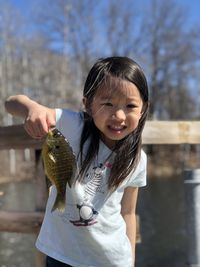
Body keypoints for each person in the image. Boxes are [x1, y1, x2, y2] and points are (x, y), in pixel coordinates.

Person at [5, 56, 149, 267]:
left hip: (113, 260)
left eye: (130, 105)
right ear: (88, 105)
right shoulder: (72, 126)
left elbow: (127, 212)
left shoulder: (138, 159)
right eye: (108, 103)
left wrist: (131, 261)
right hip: (61, 256)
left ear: (143, 109)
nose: (119, 115)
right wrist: (31, 108)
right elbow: (11, 102)